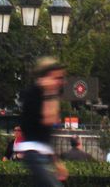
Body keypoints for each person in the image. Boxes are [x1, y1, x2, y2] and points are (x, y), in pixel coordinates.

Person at [16, 57, 68, 187]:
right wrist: (50, 94)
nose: (62, 82)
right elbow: (48, 119)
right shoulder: (33, 94)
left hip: (42, 154)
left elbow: (47, 134)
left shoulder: (50, 94)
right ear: (48, 76)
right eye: (58, 78)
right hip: (32, 152)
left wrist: (56, 162)